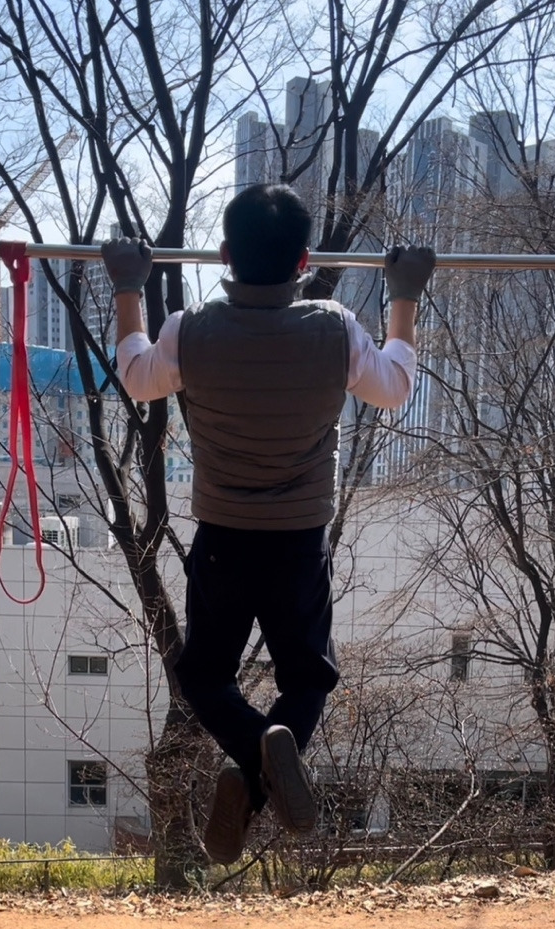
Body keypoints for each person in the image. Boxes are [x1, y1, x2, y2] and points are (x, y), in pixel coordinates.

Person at [103, 184, 435, 865]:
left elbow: (137, 377)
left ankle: (253, 761)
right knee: (307, 678)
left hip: (223, 539)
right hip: (299, 541)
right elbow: (395, 388)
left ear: (225, 254)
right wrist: (404, 295)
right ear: (305, 260)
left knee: (204, 677)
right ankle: (263, 763)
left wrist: (129, 287)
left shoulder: (191, 329)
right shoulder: (334, 328)